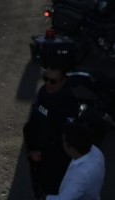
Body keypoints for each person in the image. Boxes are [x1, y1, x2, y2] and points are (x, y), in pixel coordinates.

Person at [24, 67, 81, 198]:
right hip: (37, 156)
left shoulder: (68, 104)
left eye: (53, 81)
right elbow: (33, 122)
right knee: (38, 187)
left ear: (63, 81)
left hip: (55, 162)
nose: (48, 84)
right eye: (45, 79)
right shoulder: (43, 93)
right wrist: (31, 148)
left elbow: (66, 141)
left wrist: (42, 153)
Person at [46, 121, 105, 200]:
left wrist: (46, 197)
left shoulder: (80, 175)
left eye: (64, 141)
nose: (62, 143)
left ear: (72, 149)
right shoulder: (96, 152)